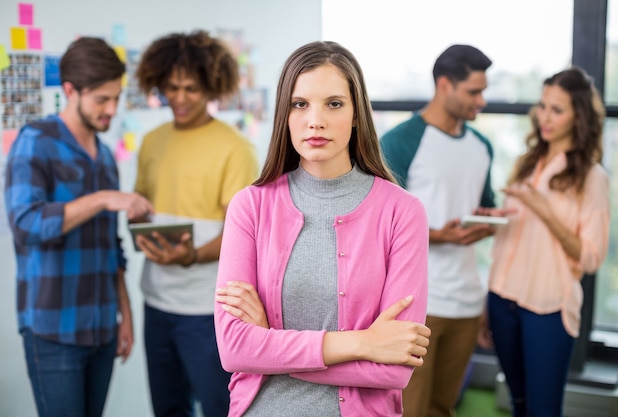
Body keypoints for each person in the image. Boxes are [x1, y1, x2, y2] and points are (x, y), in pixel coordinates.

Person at [214, 40, 431, 417]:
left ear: (357, 114)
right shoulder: (250, 206)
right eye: (300, 104)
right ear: (285, 114)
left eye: (334, 103)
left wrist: (271, 345)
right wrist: (363, 343)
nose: (316, 120)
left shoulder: (402, 212)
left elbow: (395, 367)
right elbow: (234, 349)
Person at [4, 37, 154, 417]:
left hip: (103, 326)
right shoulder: (35, 141)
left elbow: (110, 246)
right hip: (53, 329)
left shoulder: (105, 156)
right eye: (101, 100)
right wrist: (103, 199)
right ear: (70, 91)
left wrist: (125, 314)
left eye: (116, 98)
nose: (111, 110)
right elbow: (26, 223)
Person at [133, 30, 259, 417]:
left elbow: (244, 237)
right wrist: (137, 221)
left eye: (191, 88)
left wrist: (192, 256)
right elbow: (142, 208)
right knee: (167, 408)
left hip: (209, 310)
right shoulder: (152, 141)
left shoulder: (234, 147)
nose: (180, 98)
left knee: (220, 408)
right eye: (171, 88)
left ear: (211, 87)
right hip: (156, 303)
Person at [481, 67, 610, 417]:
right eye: (543, 106)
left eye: (557, 109)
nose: (545, 117)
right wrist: (493, 220)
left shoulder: (592, 177)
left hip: (547, 308)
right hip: (502, 298)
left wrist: (545, 211)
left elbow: (591, 257)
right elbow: (518, 234)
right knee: (518, 402)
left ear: (578, 115)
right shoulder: (529, 163)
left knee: (542, 409)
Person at [379, 44, 497, 417]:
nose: (481, 101)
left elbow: (484, 206)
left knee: (443, 408)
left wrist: (488, 221)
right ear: (445, 85)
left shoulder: (482, 147)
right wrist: (441, 235)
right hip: (417, 303)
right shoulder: (399, 142)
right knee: (407, 410)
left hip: (465, 300)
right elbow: (379, 224)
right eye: (473, 92)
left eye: (483, 91)